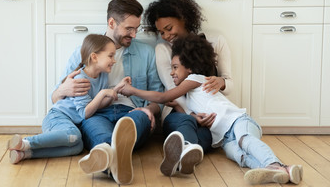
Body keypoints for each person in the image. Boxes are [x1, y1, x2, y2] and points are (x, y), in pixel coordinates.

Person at [118, 34, 303, 185]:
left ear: (189, 68)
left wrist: (132, 91)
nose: (172, 72)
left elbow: (162, 97)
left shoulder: (197, 79)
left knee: (245, 141)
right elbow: (188, 114)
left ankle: (276, 164)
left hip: (239, 122)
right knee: (239, 155)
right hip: (223, 139)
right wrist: (179, 107)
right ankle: (279, 172)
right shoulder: (190, 96)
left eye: (175, 67)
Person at [51, 0, 163, 185]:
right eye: (129, 29)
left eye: (136, 29)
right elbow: (55, 99)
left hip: (132, 111)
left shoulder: (146, 53)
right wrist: (63, 89)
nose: (134, 34)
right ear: (112, 22)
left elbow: (158, 97)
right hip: (96, 114)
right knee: (100, 134)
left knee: (136, 120)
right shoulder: (83, 52)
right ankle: (118, 159)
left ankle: (107, 160)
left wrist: (149, 110)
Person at [143, 0, 233, 174]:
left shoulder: (216, 41)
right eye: (161, 32)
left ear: (184, 19)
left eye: (169, 28)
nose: (166, 35)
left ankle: (182, 153)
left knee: (210, 136)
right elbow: (173, 92)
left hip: (211, 115)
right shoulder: (163, 49)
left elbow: (230, 84)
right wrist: (192, 115)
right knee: (185, 123)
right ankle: (186, 152)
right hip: (179, 112)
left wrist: (221, 82)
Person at [7, 34, 128, 164]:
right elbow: (85, 113)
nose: (114, 60)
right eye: (110, 56)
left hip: (70, 123)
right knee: (74, 135)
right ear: (94, 57)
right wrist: (103, 93)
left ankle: (26, 153)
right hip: (58, 117)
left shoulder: (103, 75)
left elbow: (98, 105)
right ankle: (26, 142)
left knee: (77, 147)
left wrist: (114, 91)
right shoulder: (80, 79)